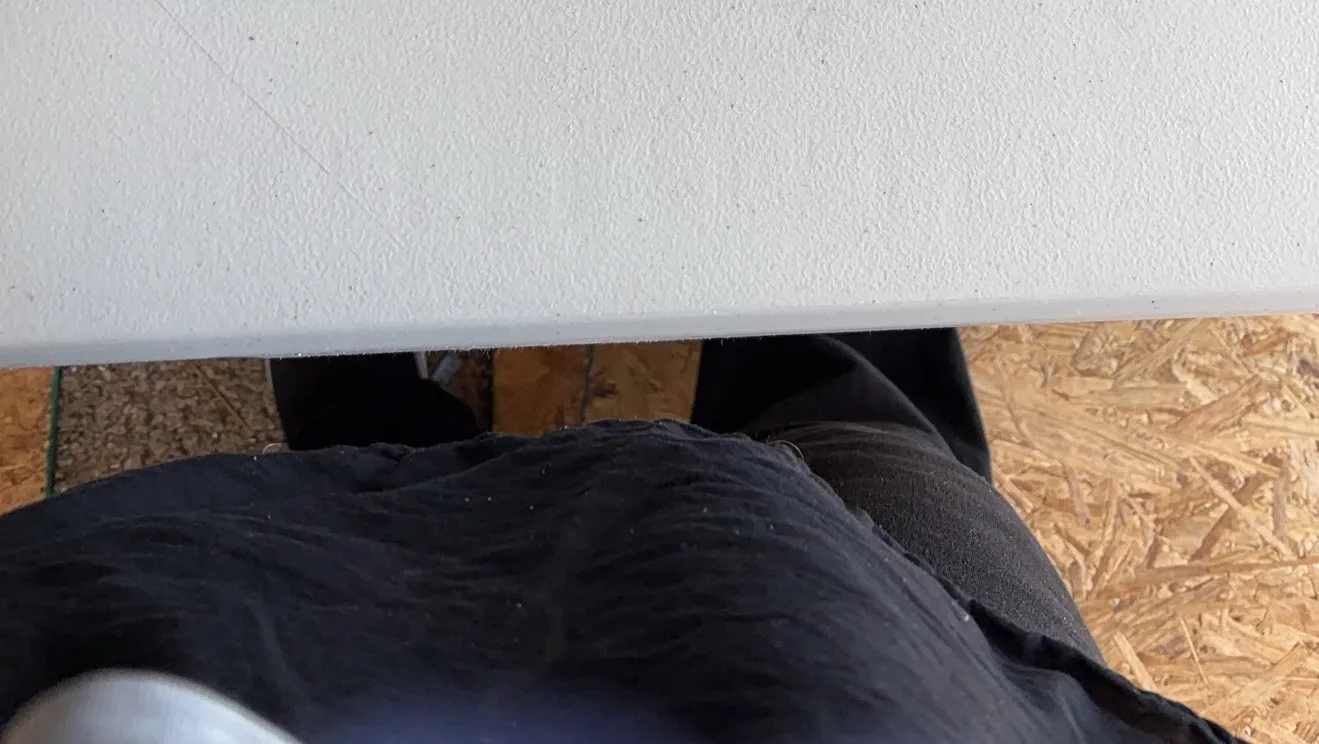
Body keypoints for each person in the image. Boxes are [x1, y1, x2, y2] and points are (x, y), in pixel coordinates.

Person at [0, 330, 1230, 742]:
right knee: (857, 405)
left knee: (372, 489)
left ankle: (350, 355)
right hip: (861, 649)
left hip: (288, 614)